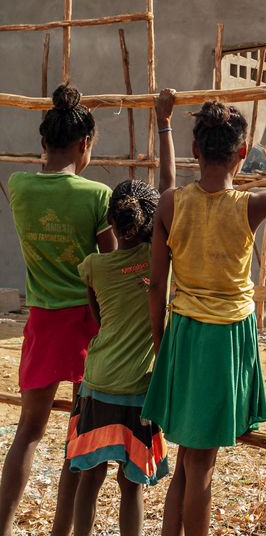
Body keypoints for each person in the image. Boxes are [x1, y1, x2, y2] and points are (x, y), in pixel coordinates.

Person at [142, 78, 266, 536]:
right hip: (223, 339)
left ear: (196, 146)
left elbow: (155, 285)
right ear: (243, 150)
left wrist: (160, 342)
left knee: (190, 458)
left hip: (183, 335)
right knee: (201, 463)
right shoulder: (251, 205)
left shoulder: (171, 205)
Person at [0, 83, 117, 536]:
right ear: (85, 143)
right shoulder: (96, 195)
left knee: (28, 431)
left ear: (43, 142)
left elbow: (43, 172)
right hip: (88, 324)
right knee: (79, 436)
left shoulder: (19, 186)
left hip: (42, 322)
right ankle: (62, 530)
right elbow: (108, 267)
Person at [66, 89, 177, 536]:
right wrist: (164, 122)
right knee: (131, 489)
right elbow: (169, 185)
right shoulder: (158, 258)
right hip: (138, 389)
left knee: (87, 482)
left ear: (111, 223)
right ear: (156, 226)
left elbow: (96, 316)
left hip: (97, 382)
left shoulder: (93, 266)